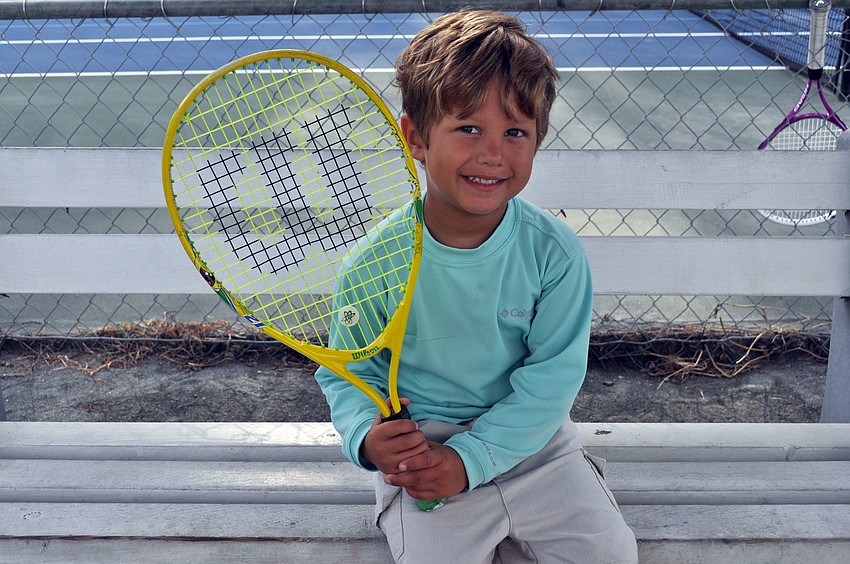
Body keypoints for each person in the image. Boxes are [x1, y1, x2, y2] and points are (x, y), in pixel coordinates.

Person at [315, 9, 638, 563]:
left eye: (515, 132)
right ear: (415, 137)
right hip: (426, 453)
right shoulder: (376, 263)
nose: (493, 153)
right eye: (469, 128)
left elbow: (552, 379)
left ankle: (578, 479)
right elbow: (348, 375)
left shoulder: (553, 253)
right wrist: (368, 440)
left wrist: (475, 460)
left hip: (536, 446)